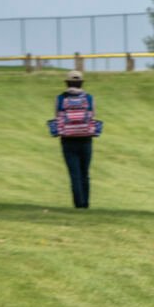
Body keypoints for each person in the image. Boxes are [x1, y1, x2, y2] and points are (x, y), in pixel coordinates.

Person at [50, 70, 100, 209]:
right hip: (86, 139)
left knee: (74, 174)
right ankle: (86, 203)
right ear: (81, 83)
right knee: (85, 173)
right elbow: (93, 116)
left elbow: (57, 117)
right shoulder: (89, 98)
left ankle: (78, 204)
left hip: (68, 140)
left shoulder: (60, 99)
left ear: (67, 83)